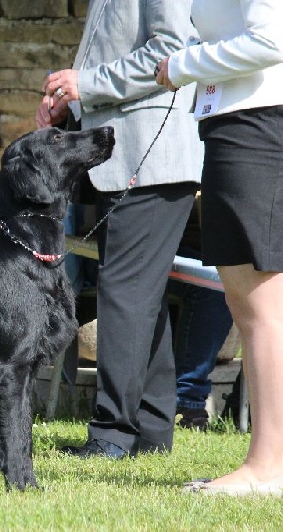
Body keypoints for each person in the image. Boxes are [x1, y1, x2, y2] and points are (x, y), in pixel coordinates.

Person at [35, 0, 203, 458]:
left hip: (151, 160)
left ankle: (112, 434)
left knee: (124, 293)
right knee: (138, 296)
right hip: (129, 161)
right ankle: (149, 431)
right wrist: (70, 109)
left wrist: (83, 84)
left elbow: (171, 51)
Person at [156, 0, 283, 495]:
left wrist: (182, 65)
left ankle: (268, 466)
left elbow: (272, 39)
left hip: (256, 128)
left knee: (260, 308)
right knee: (257, 307)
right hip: (246, 124)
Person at [168, 203, 234, 430]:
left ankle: (246, 406)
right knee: (215, 286)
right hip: (165, 242)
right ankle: (186, 401)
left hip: (216, 247)